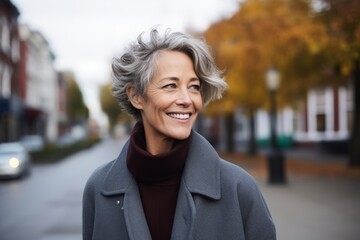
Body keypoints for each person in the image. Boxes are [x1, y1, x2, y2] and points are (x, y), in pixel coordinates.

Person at [82, 27, 276, 240]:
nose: (187, 99)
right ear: (136, 96)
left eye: (194, 87)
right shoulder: (98, 188)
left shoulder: (239, 188)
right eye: (171, 85)